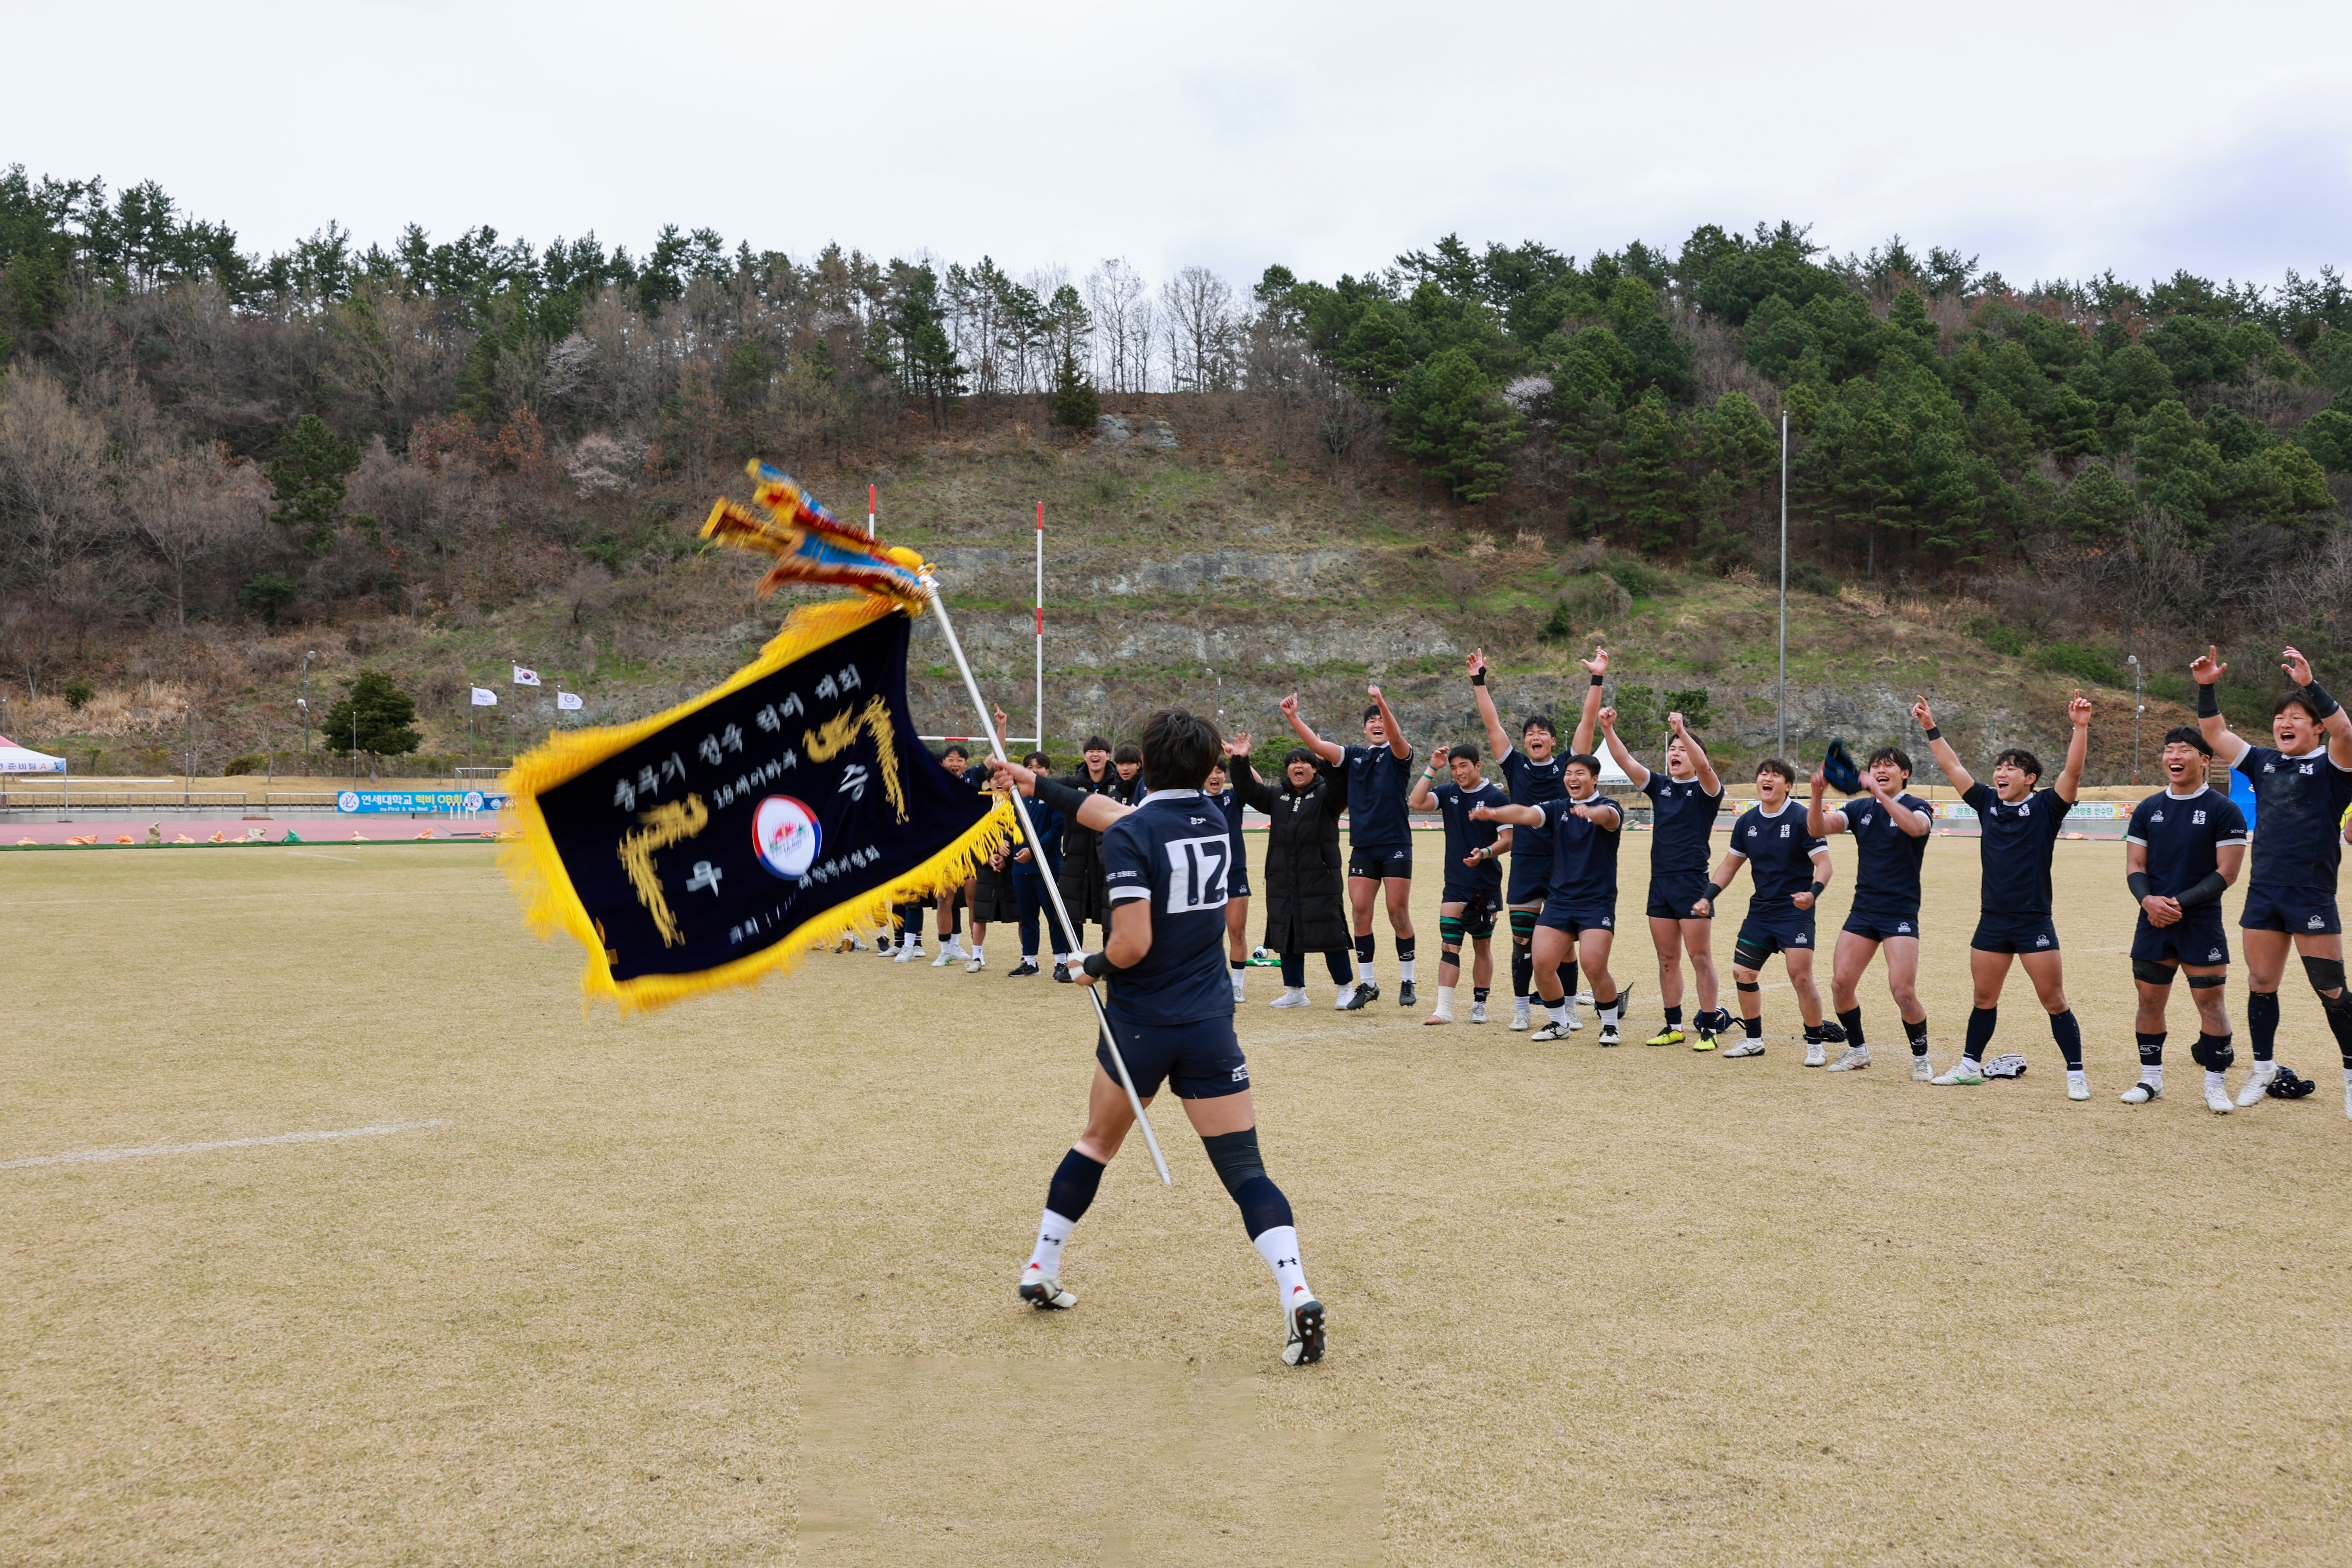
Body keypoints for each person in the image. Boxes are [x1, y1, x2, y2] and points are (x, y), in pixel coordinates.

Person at [990, 714, 1326, 1367]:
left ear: (1144, 761)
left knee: (1095, 1143)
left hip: (1140, 1027)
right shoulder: (1214, 820)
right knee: (1246, 1171)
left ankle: (1041, 1263)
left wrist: (1089, 967)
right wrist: (1032, 783)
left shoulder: (1135, 832)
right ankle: (1296, 1290)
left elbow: (1132, 942)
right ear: (1206, 767)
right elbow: (1106, 811)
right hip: (1208, 1026)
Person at [2192, 645, 2352, 1116]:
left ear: (2316, 725)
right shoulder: (2262, 761)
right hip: (2265, 892)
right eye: (2281, 716)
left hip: (2311, 893)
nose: (2285, 722)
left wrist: (2310, 686)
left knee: (2332, 988)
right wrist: (2207, 688)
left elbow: (2346, 729)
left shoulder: (2334, 765)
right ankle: (2263, 1067)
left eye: (2297, 716)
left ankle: (2350, 1071)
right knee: (2261, 982)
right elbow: (2215, 732)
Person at [1913, 691, 2094, 1096]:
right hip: (1992, 919)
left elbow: (2073, 772)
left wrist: (2080, 726)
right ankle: (1969, 1066)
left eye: (2010, 768)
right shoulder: (1986, 803)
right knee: (1983, 996)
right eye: (1998, 767)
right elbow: (1953, 766)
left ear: (2030, 778)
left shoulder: (2048, 807)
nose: (2001, 772)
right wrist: (1930, 727)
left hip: (2033, 920)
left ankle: (2076, 1074)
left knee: (2054, 999)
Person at [2121, 726, 2249, 1112]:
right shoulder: (2148, 809)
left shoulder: (2224, 809)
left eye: (2184, 749)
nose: (2174, 756)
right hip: (2153, 920)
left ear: (2205, 760)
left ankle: (2215, 1085)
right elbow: (2135, 865)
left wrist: (2175, 902)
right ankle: (2151, 1080)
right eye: (2169, 750)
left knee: (2211, 1003)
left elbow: (2226, 873)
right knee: (2148, 1001)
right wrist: (2148, 902)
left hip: (2201, 922)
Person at [1592, 701, 1724, 1048]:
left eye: (1682, 749)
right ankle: (1674, 1027)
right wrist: (1607, 729)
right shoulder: (1660, 786)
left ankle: (1708, 1028)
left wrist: (1682, 730)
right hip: (1660, 884)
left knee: (1700, 958)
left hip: (1694, 883)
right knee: (1667, 960)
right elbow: (1626, 762)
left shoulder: (1707, 789)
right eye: (1672, 749)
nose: (1676, 753)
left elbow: (1707, 767)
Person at [1472, 753, 1626, 1044]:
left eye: (1580, 773)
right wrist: (1494, 814)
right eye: (1568, 773)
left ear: (1594, 779)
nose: (1572, 778)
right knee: (1542, 963)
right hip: (1560, 901)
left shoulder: (1609, 807)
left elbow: (1608, 818)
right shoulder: (1558, 808)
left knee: (1594, 966)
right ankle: (1559, 1024)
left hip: (1596, 902)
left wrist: (1591, 813)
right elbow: (1526, 814)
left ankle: (1610, 1025)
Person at [1283, 686, 1418, 1008]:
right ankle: (1368, 984)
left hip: (1396, 844)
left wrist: (1381, 702)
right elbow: (1317, 746)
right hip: (1364, 847)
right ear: (1364, 728)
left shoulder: (1399, 754)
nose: (1377, 724)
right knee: (1360, 913)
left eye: (1381, 720)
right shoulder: (1354, 756)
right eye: (1371, 720)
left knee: (1398, 914)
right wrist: (1292, 717)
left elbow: (1397, 737)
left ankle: (1407, 980)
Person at [1694, 759, 1835, 1061]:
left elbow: (1824, 865)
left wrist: (1813, 894)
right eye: (1763, 774)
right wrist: (1708, 897)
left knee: (1800, 976)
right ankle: (1753, 1040)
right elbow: (1730, 866)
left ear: (1787, 786)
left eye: (1776, 776)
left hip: (1795, 911)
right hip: (1761, 912)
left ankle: (1815, 1045)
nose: (1767, 779)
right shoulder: (1747, 822)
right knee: (1743, 973)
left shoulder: (1802, 818)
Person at [1808, 746, 1934, 1076]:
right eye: (1876, 765)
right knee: (1841, 985)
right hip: (1864, 909)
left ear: (1905, 773)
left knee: (1904, 992)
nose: (1881, 769)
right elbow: (1817, 828)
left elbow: (1915, 828)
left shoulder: (1918, 806)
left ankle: (1921, 1058)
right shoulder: (1860, 808)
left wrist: (1879, 792)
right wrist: (1817, 794)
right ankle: (1857, 1051)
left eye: (1889, 765)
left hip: (1901, 912)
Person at [1468, 649, 1577, 1033]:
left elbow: (1587, 730)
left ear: (1552, 740)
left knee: (1565, 943)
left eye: (1541, 732)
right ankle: (1521, 1009)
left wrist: (1596, 681)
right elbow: (1492, 722)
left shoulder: (1568, 765)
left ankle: (1570, 1008)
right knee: (1522, 939)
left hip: (1565, 862)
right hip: (1527, 861)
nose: (1535, 736)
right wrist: (1479, 680)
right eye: (1530, 733)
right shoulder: (1514, 765)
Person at [1228, 741, 1357, 1008]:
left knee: (1330, 932)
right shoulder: (1277, 796)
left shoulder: (1326, 795)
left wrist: (1329, 763)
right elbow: (1248, 790)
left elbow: (1341, 788)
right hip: (1282, 877)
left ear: (1315, 768)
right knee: (1286, 933)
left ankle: (1345, 989)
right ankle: (1295, 991)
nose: (1298, 766)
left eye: (1305, 762)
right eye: (1292, 763)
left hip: (1320, 878)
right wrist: (1239, 761)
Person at [1407, 742, 1511, 1024]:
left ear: (1478, 766)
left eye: (1463, 766)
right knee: (1449, 945)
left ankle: (1480, 1004)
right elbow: (1416, 802)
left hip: (1486, 884)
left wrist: (1486, 853)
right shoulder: (1448, 792)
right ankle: (1444, 1010)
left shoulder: (1496, 798)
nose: (1458, 772)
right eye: (1453, 768)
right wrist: (1432, 768)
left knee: (1482, 946)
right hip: (1455, 883)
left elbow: (1509, 840)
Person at [1053, 737, 1122, 982]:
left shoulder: (1121, 784)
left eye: (1101, 751)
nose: (1096, 755)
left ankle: (1110, 964)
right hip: (1077, 858)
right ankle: (1073, 964)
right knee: (1073, 913)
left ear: (1108, 756)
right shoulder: (1071, 783)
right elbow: (1042, 785)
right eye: (1091, 751)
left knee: (1110, 913)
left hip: (1109, 858)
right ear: (1084, 756)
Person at [1206, 750, 1257, 1004]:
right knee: (1205, 934)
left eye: (1220, 771)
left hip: (1235, 871)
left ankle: (1237, 986)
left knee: (1237, 931)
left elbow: (1257, 787)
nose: (1215, 776)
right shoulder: (1193, 801)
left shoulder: (1232, 797)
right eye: (1210, 771)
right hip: (1204, 876)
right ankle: (1208, 983)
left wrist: (1239, 761)